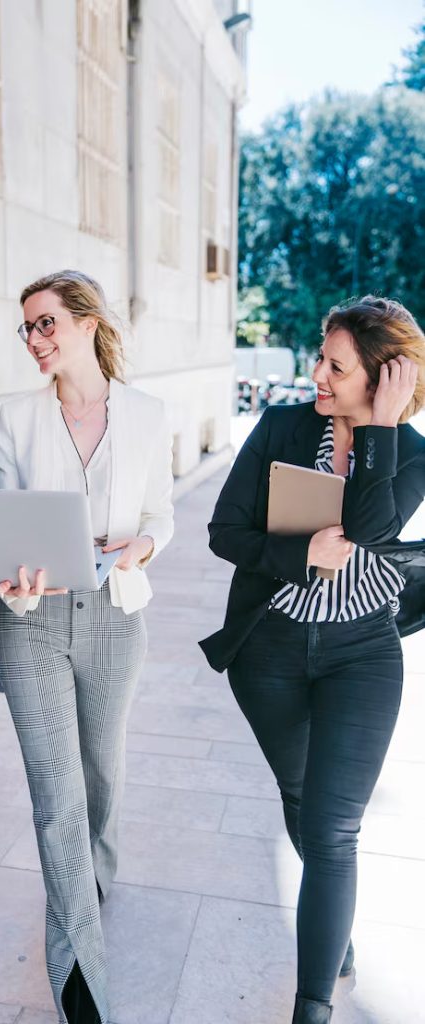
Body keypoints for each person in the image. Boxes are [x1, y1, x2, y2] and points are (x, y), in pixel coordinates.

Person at [200, 295, 425, 1023]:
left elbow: (369, 527)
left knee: (332, 830)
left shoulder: (413, 451)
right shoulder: (280, 426)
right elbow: (223, 531)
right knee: (302, 805)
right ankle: (337, 929)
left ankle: (312, 1005)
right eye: (318, 358)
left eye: (336, 365)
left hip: (361, 655)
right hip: (267, 652)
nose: (316, 375)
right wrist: (298, 554)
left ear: (383, 377)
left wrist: (381, 429)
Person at [0, 270, 174, 1024]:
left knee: (100, 776)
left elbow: (160, 512)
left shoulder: (148, 413)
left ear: (86, 322)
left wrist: (143, 546)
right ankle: (78, 979)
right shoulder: (13, 419)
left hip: (114, 615)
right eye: (26, 328)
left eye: (45, 324)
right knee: (55, 798)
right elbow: (3, 521)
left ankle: (92, 879)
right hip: (31, 622)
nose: (34, 339)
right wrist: (13, 578)